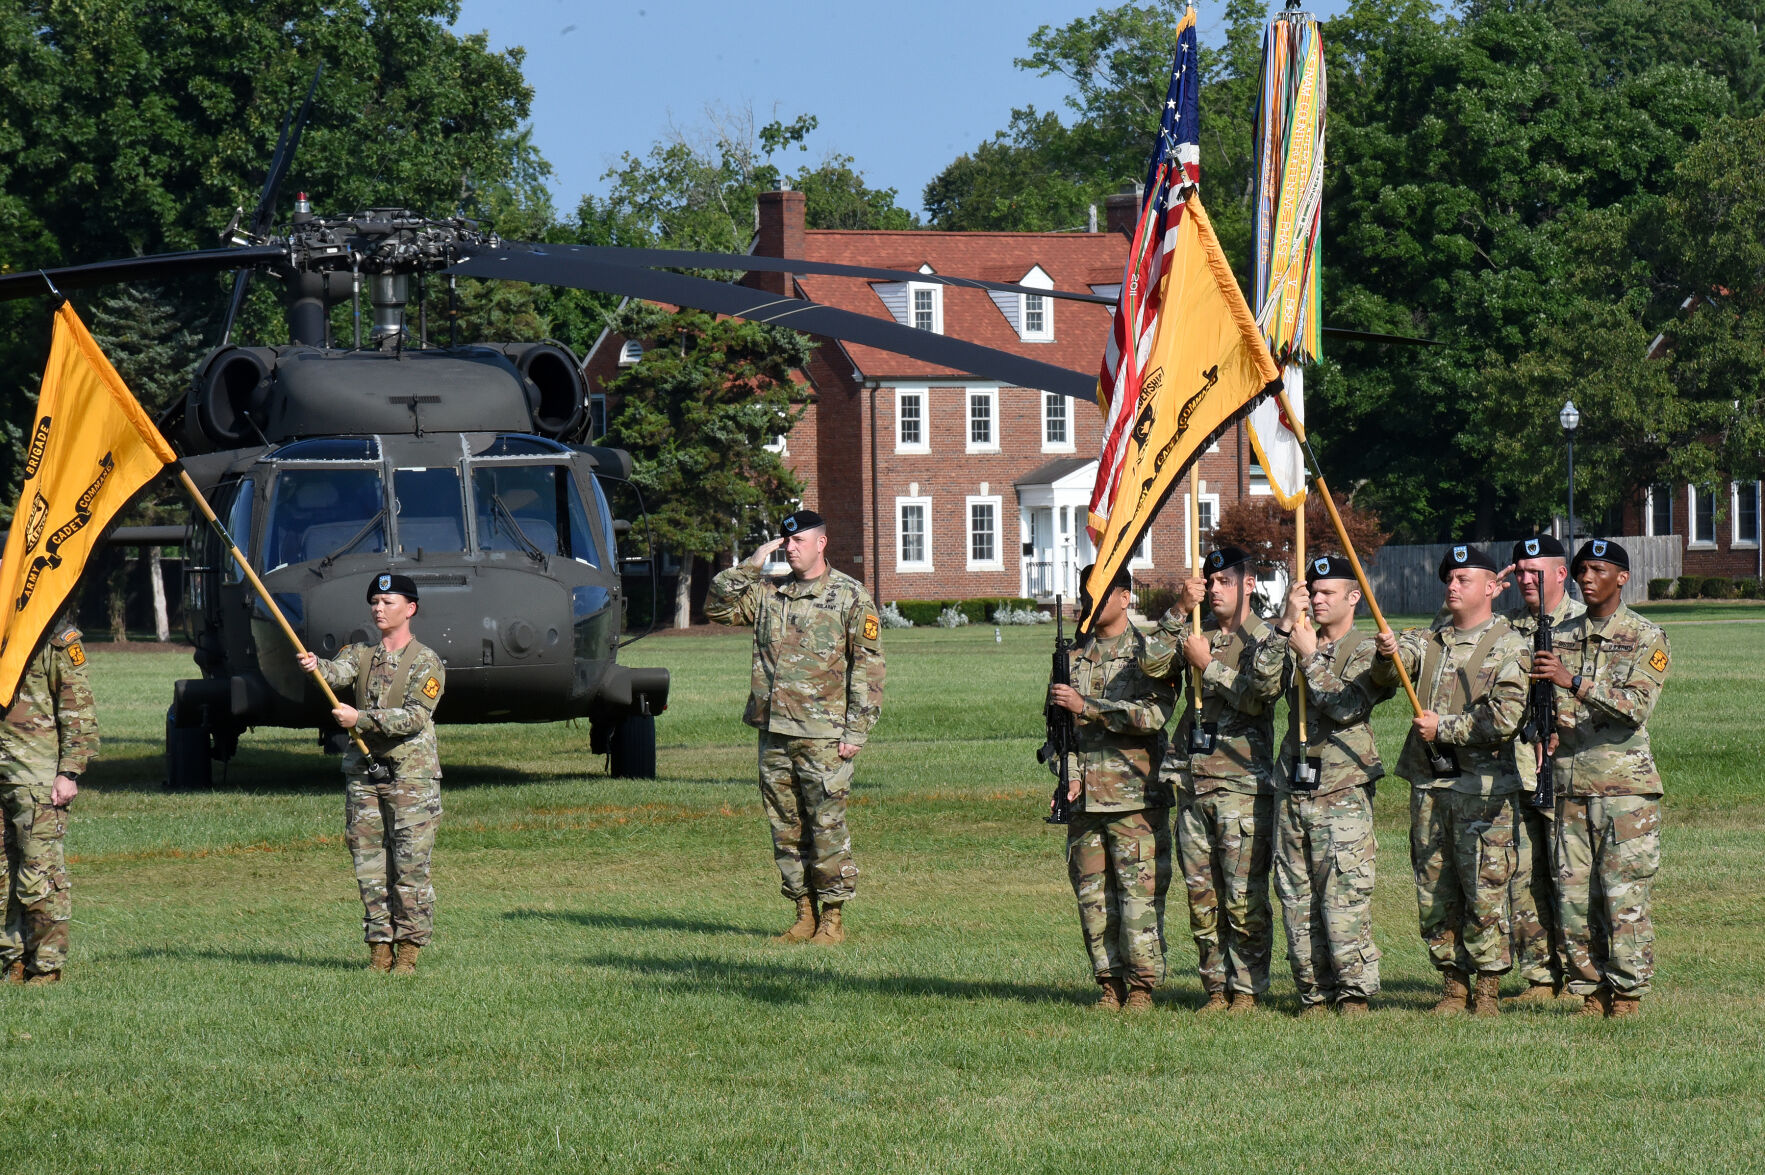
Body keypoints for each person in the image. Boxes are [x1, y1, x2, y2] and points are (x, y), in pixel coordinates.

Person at [704, 509, 885, 946]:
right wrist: (752, 562)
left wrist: (856, 732)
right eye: (785, 542)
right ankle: (803, 913)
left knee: (827, 828)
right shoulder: (770, 595)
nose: (790, 547)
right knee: (785, 828)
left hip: (824, 737)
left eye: (798, 540)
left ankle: (833, 919)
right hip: (775, 733)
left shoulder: (849, 596)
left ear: (821, 543)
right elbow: (716, 605)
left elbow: (869, 667)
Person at [1373, 544, 1529, 1017]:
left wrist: (1444, 728)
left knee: (1484, 888)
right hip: (1431, 786)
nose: (1453, 586)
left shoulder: (1511, 645)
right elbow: (1391, 671)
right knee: (1434, 889)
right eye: (1450, 579)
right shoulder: (1431, 641)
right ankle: (1452, 984)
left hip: (1484, 790)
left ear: (1492, 587)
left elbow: (1505, 717)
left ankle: (1487, 990)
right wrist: (1386, 654)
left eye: (1464, 578)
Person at [1532, 539, 1668, 1018]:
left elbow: (1634, 707)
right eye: (1580, 570)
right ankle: (1589, 991)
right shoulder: (1558, 634)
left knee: (1623, 895)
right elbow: (1548, 710)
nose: (1586, 578)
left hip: (1624, 791)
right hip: (1568, 785)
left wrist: (1573, 682)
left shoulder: (1647, 636)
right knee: (1572, 896)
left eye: (1597, 570)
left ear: (1622, 578)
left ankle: (1627, 994)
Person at [1147, 545, 1284, 1013]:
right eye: (1210, 582)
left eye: (1224, 581)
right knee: (1201, 896)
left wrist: (1209, 666)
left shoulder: (1266, 638)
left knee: (1244, 896)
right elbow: (1150, 667)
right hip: (1193, 782)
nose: (1215, 589)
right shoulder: (1195, 632)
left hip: (1242, 785)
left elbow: (1261, 694)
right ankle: (1215, 987)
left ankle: (1246, 991)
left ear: (1248, 583)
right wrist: (1181, 610)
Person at [1256, 555, 1392, 1018]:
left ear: (1354, 597)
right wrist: (1282, 628)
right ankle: (1312, 992)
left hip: (1342, 788)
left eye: (1326, 592)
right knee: (1296, 896)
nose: (1316, 598)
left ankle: (1353, 994)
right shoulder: (1296, 636)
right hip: (1292, 783)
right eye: (1312, 591)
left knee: (1344, 893)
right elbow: (1259, 687)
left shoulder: (1368, 649)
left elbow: (1346, 705)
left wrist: (1311, 656)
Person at [298, 572, 446, 975]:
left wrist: (359, 717)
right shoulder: (360, 653)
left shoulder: (426, 661)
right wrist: (316, 665)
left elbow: (416, 717)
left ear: (410, 609)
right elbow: (336, 673)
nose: (378, 609)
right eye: (375, 604)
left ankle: (409, 953)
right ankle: (379, 950)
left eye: (388, 603)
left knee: (410, 866)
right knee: (368, 865)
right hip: (364, 775)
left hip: (411, 779)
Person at [1049, 565, 1177, 1011]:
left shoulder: (1148, 654)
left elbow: (1153, 715)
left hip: (1134, 796)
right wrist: (1068, 774)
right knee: (1092, 898)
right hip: (1084, 797)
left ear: (1125, 598)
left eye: (1103, 593)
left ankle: (1141, 988)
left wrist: (1089, 706)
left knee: (1137, 898)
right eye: (1088, 593)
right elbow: (1060, 731)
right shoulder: (1073, 655)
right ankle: (1109, 983)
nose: (1092, 602)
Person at [1503, 535, 1584, 1004]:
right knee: (1524, 873)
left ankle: (1581, 977)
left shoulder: (1583, 622)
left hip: (1569, 766)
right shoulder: (1504, 624)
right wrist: (1492, 584)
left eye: (1536, 570)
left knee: (1570, 873)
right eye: (1519, 570)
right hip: (1516, 767)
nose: (1526, 579)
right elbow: (1446, 640)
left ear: (1560, 574)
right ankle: (1540, 977)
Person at [0, 623, 97, 985]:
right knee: (1, 876)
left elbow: (78, 707)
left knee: (39, 876)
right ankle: (12, 960)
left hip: (36, 776)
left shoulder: (55, 636)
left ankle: (45, 967)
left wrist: (69, 771)